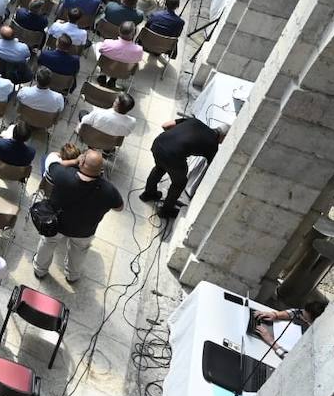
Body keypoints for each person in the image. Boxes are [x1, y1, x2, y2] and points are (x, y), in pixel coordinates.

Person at [33, 148, 123, 282]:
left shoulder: (63, 175)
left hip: (55, 224)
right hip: (84, 230)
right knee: (79, 252)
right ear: (101, 170)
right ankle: (72, 276)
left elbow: (52, 164)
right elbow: (119, 207)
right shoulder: (109, 190)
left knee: (48, 243)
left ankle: (40, 270)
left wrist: (74, 160)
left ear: (81, 163)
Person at [142, 116, 227, 217]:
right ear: (224, 137)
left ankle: (148, 194)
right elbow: (212, 168)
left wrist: (175, 140)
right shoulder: (213, 145)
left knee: (160, 167)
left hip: (158, 143)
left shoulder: (195, 121)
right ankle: (166, 211)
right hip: (173, 156)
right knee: (179, 183)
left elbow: (166, 125)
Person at [251, 302, 327, 359]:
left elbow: (290, 359)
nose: (300, 317)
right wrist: (276, 315)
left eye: (305, 319)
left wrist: (271, 341)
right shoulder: (320, 312)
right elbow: (297, 312)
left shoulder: (318, 344)